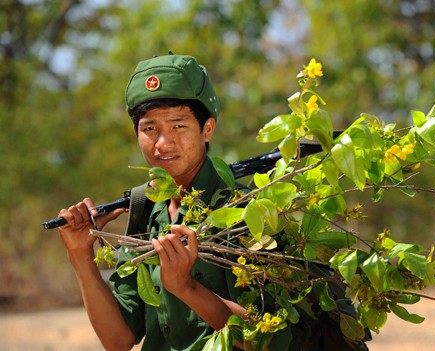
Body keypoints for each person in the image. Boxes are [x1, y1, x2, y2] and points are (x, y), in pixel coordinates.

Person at [57, 54, 292, 351]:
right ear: (136, 133)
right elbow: (118, 340)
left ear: (207, 129)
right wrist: (80, 256)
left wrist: (186, 287)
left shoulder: (248, 211)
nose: (163, 144)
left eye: (178, 126)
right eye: (150, 129)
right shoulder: (145, 211)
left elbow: (266, 340)